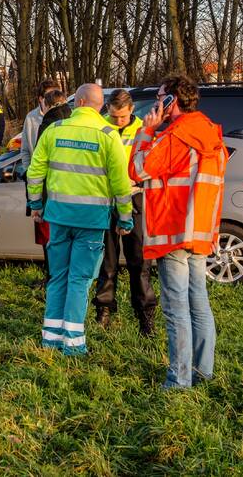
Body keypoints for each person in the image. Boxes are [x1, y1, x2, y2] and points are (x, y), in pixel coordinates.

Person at [129, 74, 227, 388]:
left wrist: (147, 130)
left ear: (171, 101)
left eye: (160, 98)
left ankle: (179, 378)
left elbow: (137, 169)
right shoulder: (211, 134)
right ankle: (203, 372)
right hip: (199, 232)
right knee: (199, 302)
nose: (156, 103)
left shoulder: (176, 136)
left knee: (176, 308)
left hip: (172, 231)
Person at [27, 83, 132, 355]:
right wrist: (125, 219)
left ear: (80, 102)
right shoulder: (109, 135)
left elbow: (35, 171)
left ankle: (50, 338)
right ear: (99, 106)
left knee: (58, 276)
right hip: (91, 221)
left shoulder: (54, 130)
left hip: (58, 217)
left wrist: (36, 204)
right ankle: (73, 343)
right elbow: (121, 184)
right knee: (79, 280)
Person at [93, 89, 157, 336]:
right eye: (114, 116)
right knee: (106, 261)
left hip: (134, 197)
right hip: (106, 199)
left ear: (131, 110)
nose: (118, 121)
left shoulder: (143, 130)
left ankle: (145, 315)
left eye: (122, 116)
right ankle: (104, 310)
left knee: (139, 260)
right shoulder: (99, 128)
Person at [29, 88, 73, 287]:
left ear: (46, 105)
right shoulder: (75, 122)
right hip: (78, 192)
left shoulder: (47, 126)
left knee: (52, 242)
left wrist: (36, 201)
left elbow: (38, 166)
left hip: (52, 193)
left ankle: (54, 281)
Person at [19, 79, 59, 175]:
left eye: (56, 95)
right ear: (41, 98)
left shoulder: (64, 117)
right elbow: (25, 150)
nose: (53, 99)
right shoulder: (31, 118)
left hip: (57, 176)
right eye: (49, 96)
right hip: (37, 175)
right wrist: (28, 173)